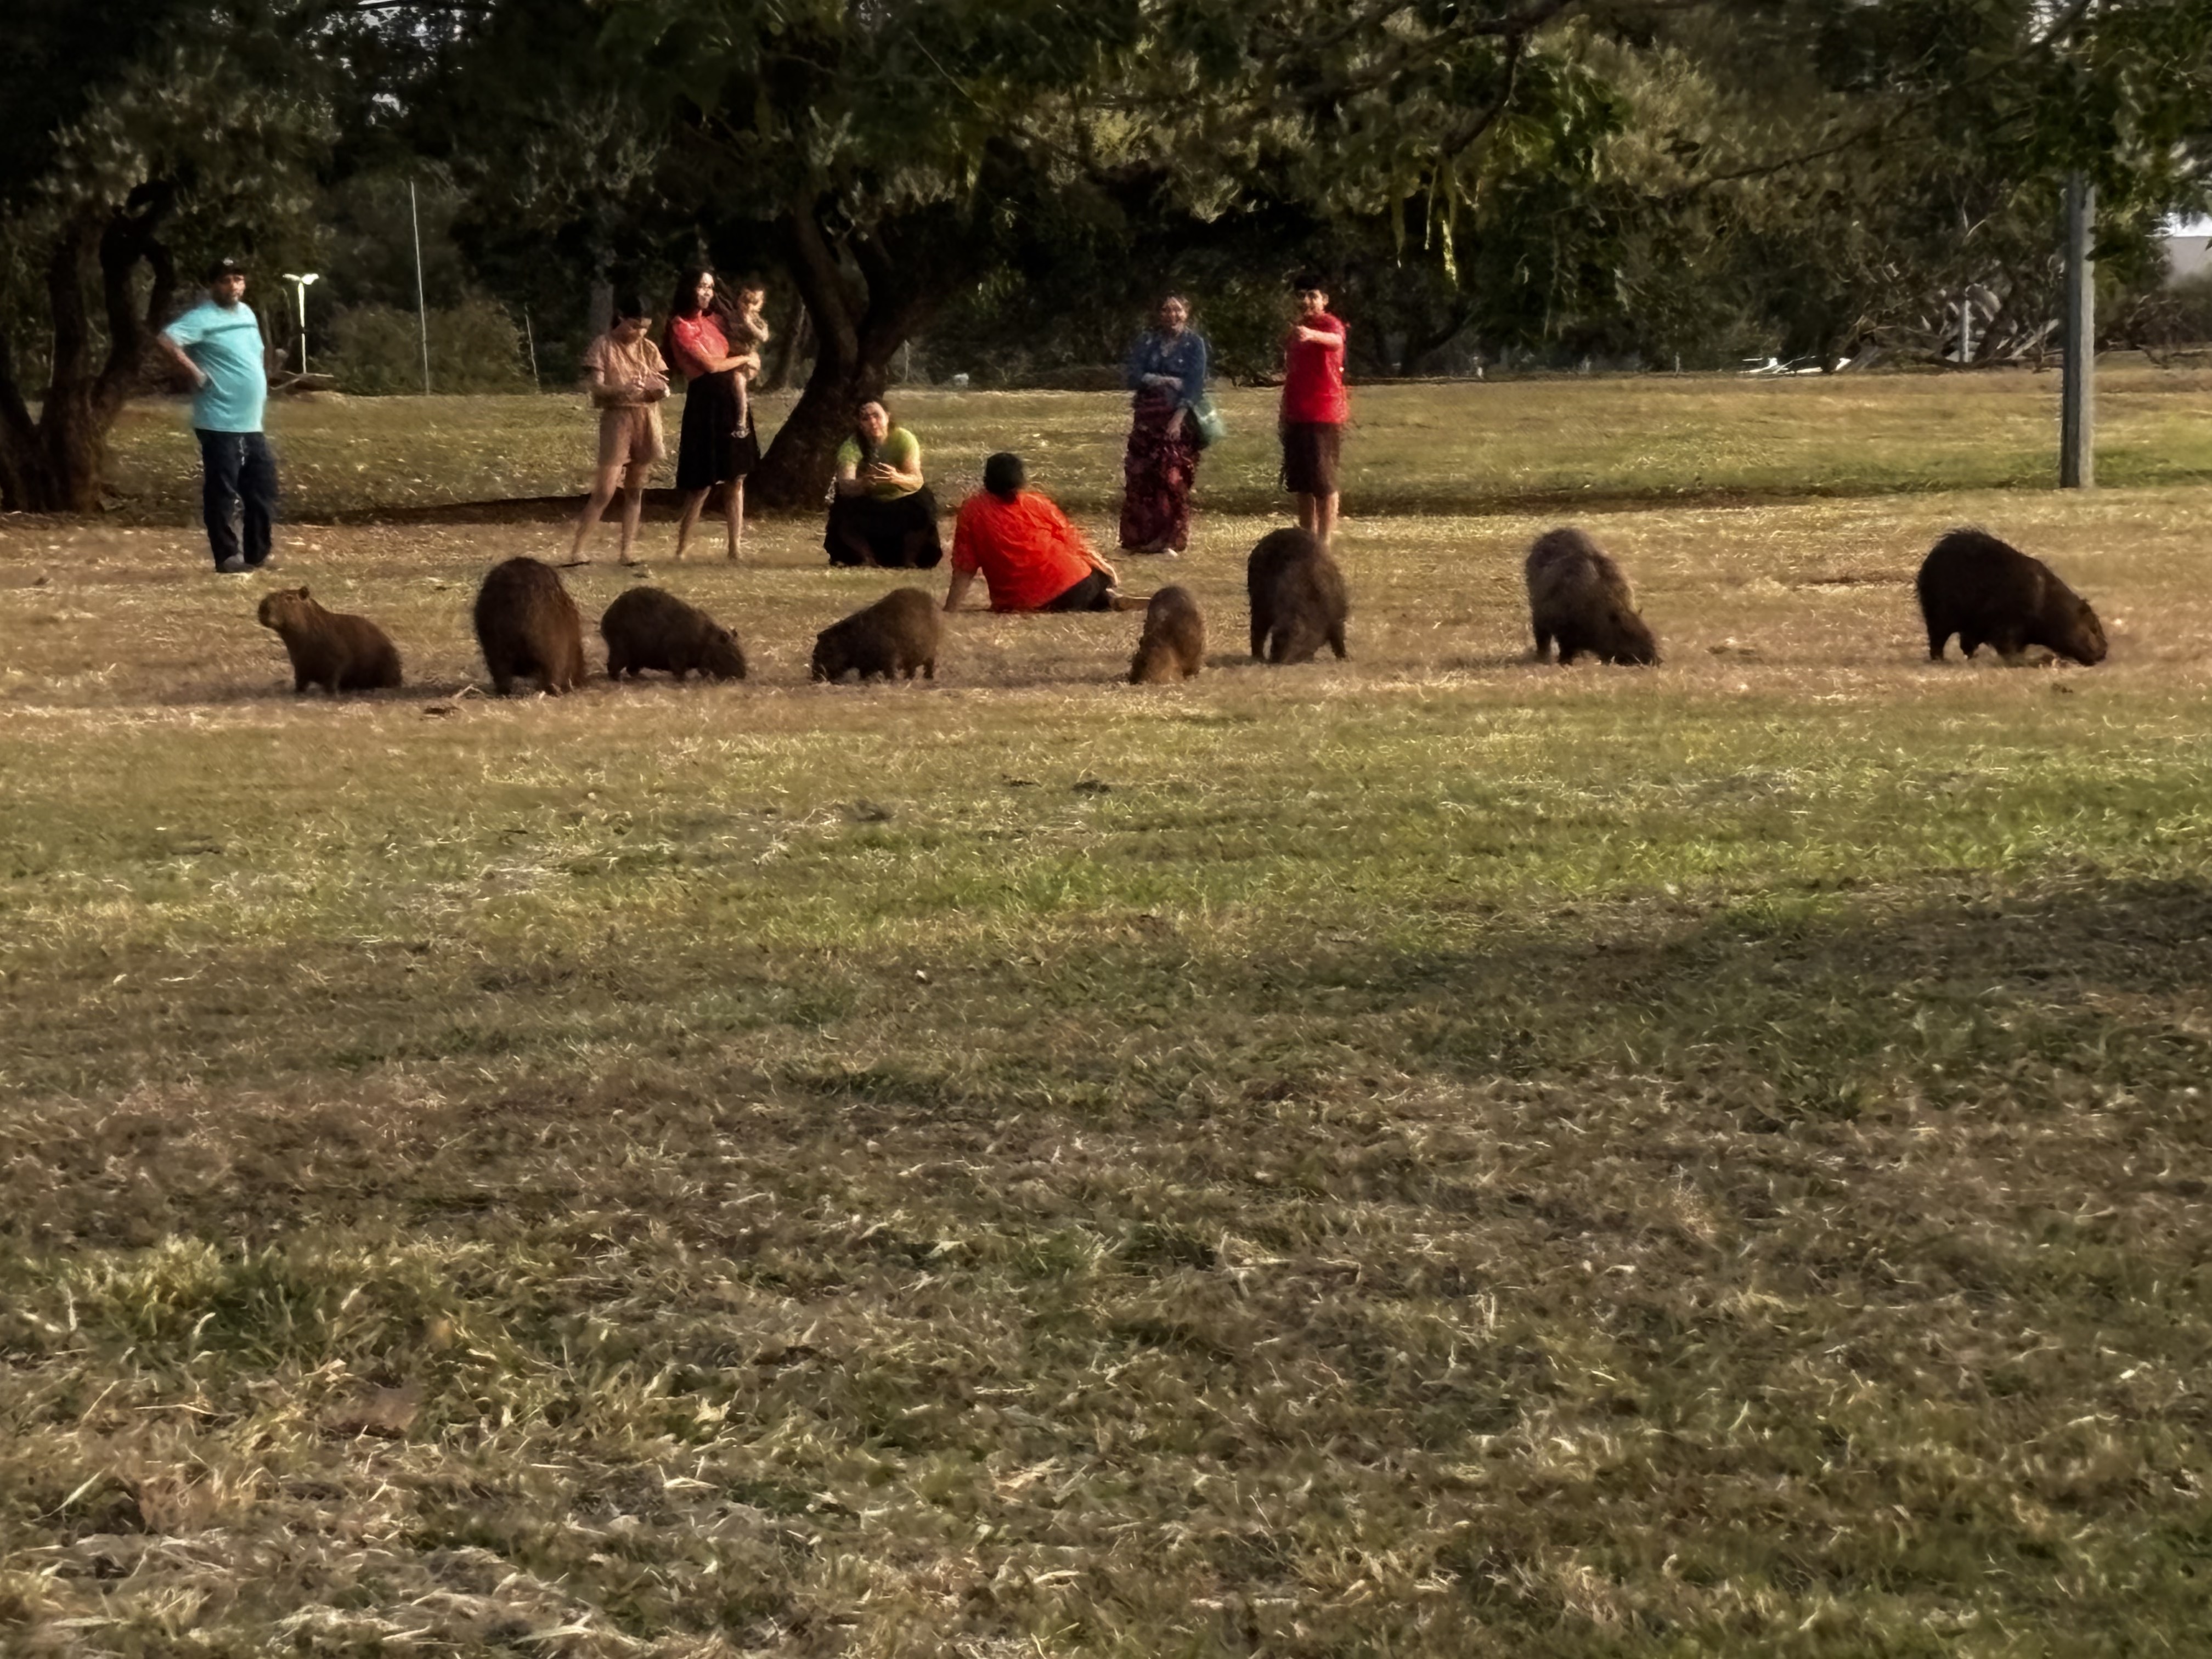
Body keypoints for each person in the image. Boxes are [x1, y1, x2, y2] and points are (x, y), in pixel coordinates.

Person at [156, 258, 277, 573]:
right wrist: (195, 373)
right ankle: (227, 557)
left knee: (262, 488)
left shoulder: (248, 314)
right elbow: (167, 341)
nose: (233, 286)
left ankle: (257, 556)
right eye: (225, 280)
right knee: (223, 490)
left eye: (238, 279)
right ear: (213, 285)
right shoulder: (202, 318)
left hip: (251, 421)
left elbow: (254, 353)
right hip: (219, 420)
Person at [664, 269, 767, 561]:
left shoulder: (717, 320)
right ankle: (682, 549)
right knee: (702, 483)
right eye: (702, 286)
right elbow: (710, 365)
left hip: (732, 399)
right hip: (705, 403)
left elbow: (746, 342)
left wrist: (752, 362)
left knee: (736, 479)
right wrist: (745, 359)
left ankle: (735, 548)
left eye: (710, 287)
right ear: (689, 289)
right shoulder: (680, 326)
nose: (707, 292)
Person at [946, 453, 1123, 613]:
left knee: (1068, 599)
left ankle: (1107, 601)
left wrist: (950, 608)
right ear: (1021, 481)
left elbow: (965, 567)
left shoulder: (972, 510)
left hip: (1025, 601)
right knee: (1094, 585)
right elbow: (1072, 539)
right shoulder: (1036, 503)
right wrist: (1104, 567)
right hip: (1077, 583)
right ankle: (1110, 600)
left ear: (986, 480)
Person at [569, 293, 670, 565]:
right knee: (605, 490)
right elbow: (596, 388)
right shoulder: (603, 345)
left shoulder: (648, 348)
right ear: (621, 318)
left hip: (646, 418)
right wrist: (622, 390)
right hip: (618, 419)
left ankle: (627, 551)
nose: (639, 333)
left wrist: (659, 390)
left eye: (645, 328)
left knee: (636, 489)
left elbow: (660, 381)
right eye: (635, 326)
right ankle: (578, 550)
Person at [1119, 294, 1209, 556]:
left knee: (1172, 478)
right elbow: (1134, 375)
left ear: (1187, 313)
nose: (1172, 315)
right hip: (1147, 420)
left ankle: (1170, 540)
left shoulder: (1194, 344)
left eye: (1177, 310)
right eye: (1167, 310)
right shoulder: (1148, 342)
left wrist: (1178, 420)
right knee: (1141, 476)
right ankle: (1140, 538)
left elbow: (1194, 385)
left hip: (1177, 419)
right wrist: (1164, 380)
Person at [825, 400, 942, 568]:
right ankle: (867, 558)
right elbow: (845, 485)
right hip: (870, 501)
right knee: (842, 507)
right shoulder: (852, 446)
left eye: (876, 416)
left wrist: (895, 478)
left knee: (924, 501)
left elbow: (917, 480)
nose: (872, 422)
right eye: (865, 418)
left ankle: (909, 559)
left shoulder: (904, 439)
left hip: (901, 498)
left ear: (887, 417)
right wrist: (864, 483)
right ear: (859, 423)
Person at [1280, 273, 1348, 545]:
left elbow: (1337, 340)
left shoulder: (1330, 324)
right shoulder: (1296, 331)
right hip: (1296, 413)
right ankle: (1307, 539)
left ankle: (1325, 542)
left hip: (1323, 413)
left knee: (1323, 481)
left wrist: (1313, 335)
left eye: (1313, 296)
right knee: (1302, 483)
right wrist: (1284, 413)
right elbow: (1292, 373)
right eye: (1301, 296)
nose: (1306, 301)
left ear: (1324, 300)